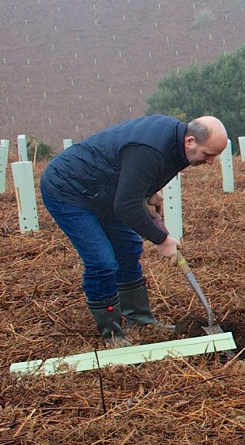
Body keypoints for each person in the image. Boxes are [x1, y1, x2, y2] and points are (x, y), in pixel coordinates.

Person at [39, 114, 230, 342]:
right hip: (69, 190)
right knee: (102, 262)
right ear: (190, 141)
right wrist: (161, 239)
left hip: (106, 189)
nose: (210, 162)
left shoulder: (177, 142)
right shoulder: (150, 148)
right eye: (208, 155)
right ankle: (112, 333)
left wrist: (151, 189)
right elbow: (127, 205)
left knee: (128, 249)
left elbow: (139, 169)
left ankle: (140, 321)